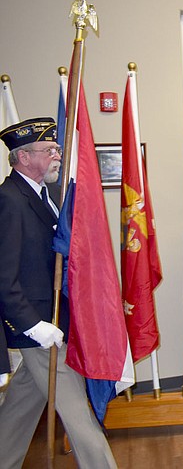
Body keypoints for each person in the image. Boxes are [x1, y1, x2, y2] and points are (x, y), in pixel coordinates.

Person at [0, 117, 117, 469]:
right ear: (23, 157)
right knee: (78, 414)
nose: (56, 156)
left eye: (56, 149)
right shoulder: (9, 200)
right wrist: (32, 326)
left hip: (56, 318)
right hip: (37, 327)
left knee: (22, 404)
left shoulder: (46, 195)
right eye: (48, 150)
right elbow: (4, 277)